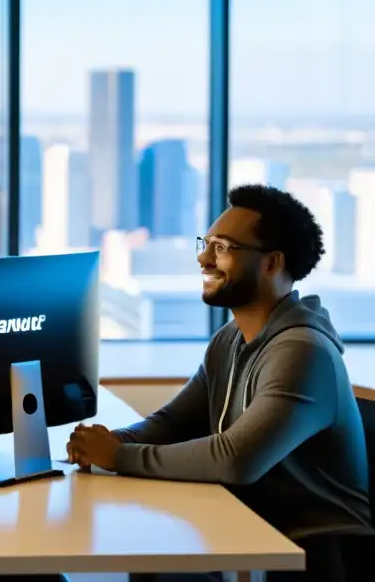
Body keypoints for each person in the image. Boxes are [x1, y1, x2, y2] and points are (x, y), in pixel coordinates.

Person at [68, 184, 371, 581]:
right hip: (249, 531)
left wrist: (118, 457)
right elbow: (172, 423)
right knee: (149, 558)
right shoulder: (231, 338)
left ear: (271, 263)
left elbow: (235, 459)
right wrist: (109, 442)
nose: (203, 257)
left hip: (316, 555)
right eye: (206, 243)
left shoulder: (303, 351)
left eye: (223, 247)